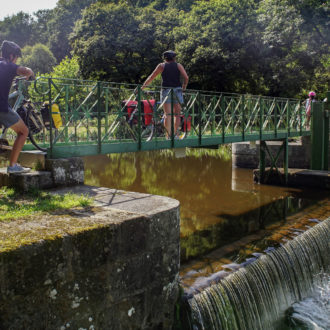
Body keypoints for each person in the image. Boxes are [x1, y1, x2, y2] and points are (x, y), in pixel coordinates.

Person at [0, 40, 34, 173]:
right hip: (1, 107)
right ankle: (13, 166)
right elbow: (25, 71)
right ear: (12, 55)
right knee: (23, 131)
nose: (16, 60)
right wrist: (30, 72)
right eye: (16, 57)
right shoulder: (9, 66)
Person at [142, 50, 189, 138]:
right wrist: (184, 87)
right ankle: (176, 135)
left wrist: (142, 87)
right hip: (178, 91)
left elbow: (151, 77)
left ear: (165, 58)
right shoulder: (178, 65)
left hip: (166, 91)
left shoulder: (161, 66)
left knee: (167, 114)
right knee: (177, 114)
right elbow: (186, 77)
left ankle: (168, 135)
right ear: (174, 57)